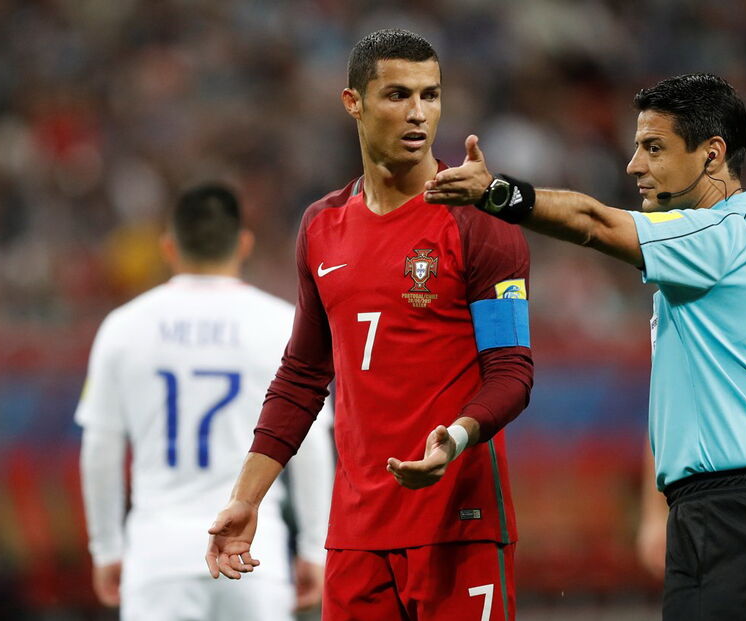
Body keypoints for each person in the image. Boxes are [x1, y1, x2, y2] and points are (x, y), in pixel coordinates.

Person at [426, 73, 746, 620]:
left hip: (736, 516)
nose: (634, 165)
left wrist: (497, 193)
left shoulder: (716, 238)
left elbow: (594, 223)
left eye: (654, 148)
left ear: (712, 154)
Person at [205, 29, 533, 621]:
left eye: (430, 96)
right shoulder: (321, 226)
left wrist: (456, 437)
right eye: (397, 94)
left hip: (459, 523)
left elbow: (512, 372)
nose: (418, 114)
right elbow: (302, 376)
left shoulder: (479, 222)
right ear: (353, 102)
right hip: (356, 536)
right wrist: (246, 497)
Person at [76, 183, 334, 621]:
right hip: (254, 551)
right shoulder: (278, 325)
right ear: (244, 243)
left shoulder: (123, 328)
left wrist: (107, 549)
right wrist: (313, 546)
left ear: (168, 247)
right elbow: (308, 446)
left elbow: (100, 451)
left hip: (158, 555)